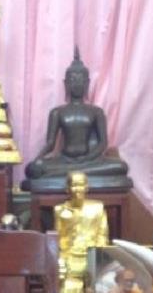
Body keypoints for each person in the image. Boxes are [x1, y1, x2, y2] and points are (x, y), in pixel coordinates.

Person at [22, 48, 132, 193]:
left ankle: (69, 175)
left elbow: (103, 143)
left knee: (121, 167)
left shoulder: (96, 112)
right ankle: (73, 173)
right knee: (33, 170)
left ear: (87, 83)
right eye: (73, 80)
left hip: (89, 161)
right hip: (64, 161)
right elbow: (50, 143)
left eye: (80, 80)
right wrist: (37, 160)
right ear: (65, 83)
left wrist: (87, 159)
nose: (77, 84)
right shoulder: (57, 112)